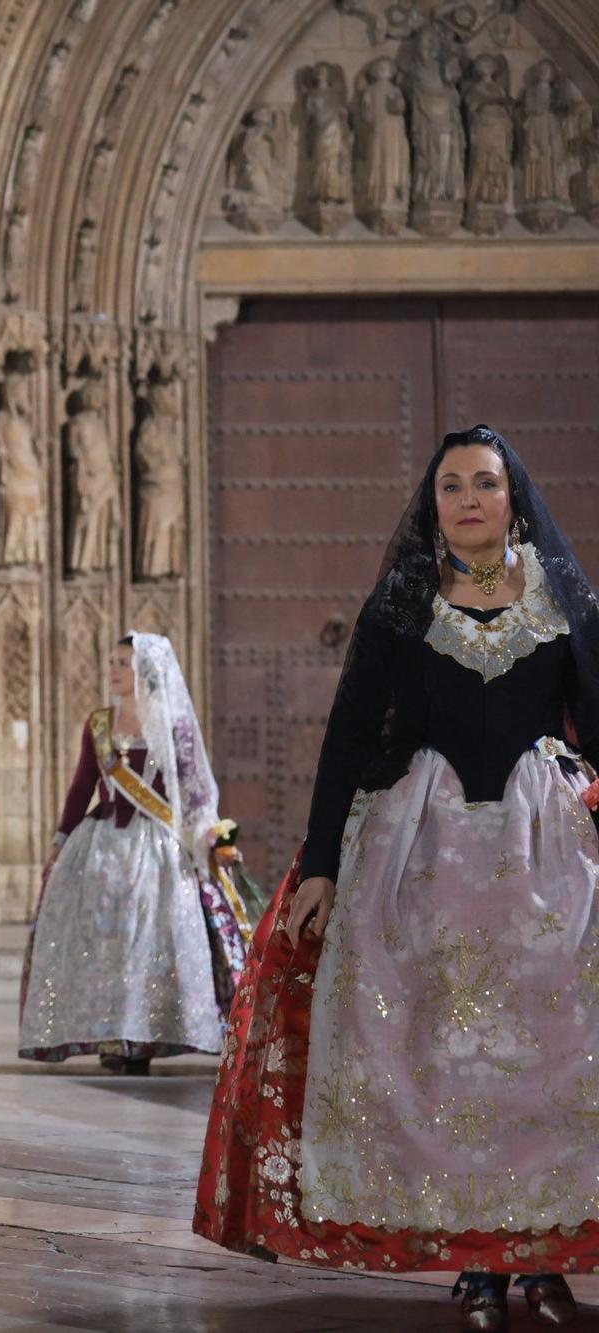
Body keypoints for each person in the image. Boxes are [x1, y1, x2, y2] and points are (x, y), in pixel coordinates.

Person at [196, 425, 599, 1331]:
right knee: (446, 1063)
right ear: (433, 504)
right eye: (450, 484)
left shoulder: (565, 599)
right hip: (423, 861)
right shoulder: (403, 601)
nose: (466, 498)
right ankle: (477, 1265)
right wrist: (325, 867)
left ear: (512, 498)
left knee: (552, 1060)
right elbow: (346, 738)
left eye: (484, 483)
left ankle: (543, 1253)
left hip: (548, 862)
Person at [17, 633, 245, 1072]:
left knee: (149, 945)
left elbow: (194, 795)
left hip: (158, 854)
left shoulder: (173, 725)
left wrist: (212, 840)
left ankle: (145, 1038)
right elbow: (81, 788)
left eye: (124, 662)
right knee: (106, 944)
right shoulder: (99, 724)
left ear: (146, 671)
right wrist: (59, 843)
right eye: (112, 661)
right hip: (100, 851)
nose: (114, 670)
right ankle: (111, 1039)